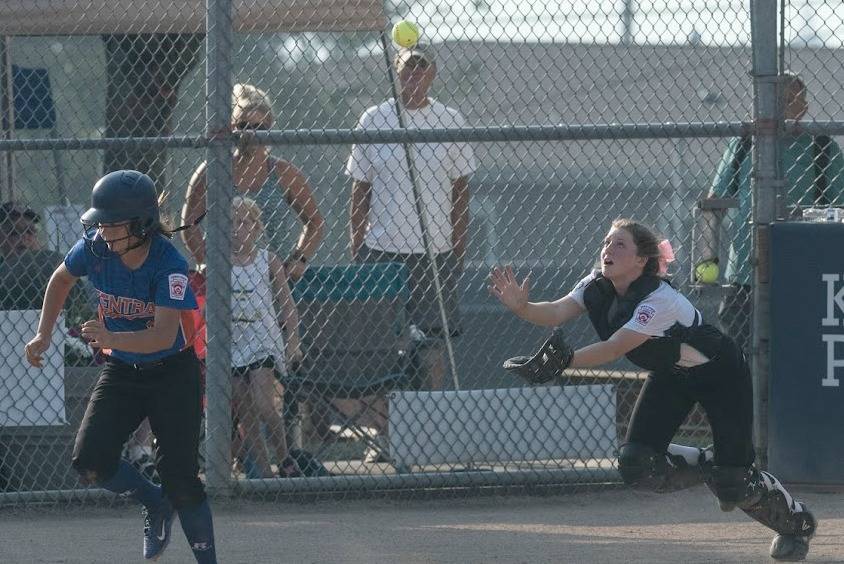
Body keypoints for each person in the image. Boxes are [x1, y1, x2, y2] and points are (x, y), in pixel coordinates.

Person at [490, 218, 816, 562]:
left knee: (733, 484)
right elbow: (557, 310)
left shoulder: (660, 299)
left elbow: (617, 346)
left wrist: (562, 363)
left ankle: (797, 523)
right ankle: (711, 463)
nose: (607, 250)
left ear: (641, 260)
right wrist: (522, 307)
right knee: (637, 464)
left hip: (721, 374)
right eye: (606, 242)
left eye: (619, 245)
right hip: (672, 373)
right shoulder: (596, 285)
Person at [24, 170, 217, 563]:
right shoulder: (95, 248)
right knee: (90, 461)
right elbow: (60, 280)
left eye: (113, 225)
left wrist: (111, 339)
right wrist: (44, 333)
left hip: (172, 372)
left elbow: (163, 336)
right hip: (123, 371)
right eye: (101, 224)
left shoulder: (169, 264)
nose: (103, 232)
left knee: (181, 481)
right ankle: (153, 503)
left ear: (142, 224)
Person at [345, 44, 476, 391]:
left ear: (432, 74)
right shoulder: (374, 118)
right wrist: (357, 243)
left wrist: (458, 246)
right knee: (383, 346)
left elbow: (461, 192)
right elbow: (360, 190)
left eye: (421, 68)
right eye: (406, 68)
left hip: (435, 250)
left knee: (433, 344)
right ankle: (387, 433)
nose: (413, 75)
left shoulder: (450, 119)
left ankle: (431, 422)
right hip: (381, 251)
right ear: (395, 72)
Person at [696, 71, 844, 352]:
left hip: (805, 275)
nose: (789, 108)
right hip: (744, 277)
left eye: (794, 100)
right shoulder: (743, 144)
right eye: (778, 100)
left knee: (799, 356)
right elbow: (713, 205)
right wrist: (706, 266)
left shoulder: (821, 147)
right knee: (740, 356)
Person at [182, 83, 324, 281]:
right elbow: (189, 223)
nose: (250, 133)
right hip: (226, 277)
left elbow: (315, 222)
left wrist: (299, 259)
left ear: (270, 128)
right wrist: (205, 260)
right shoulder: (213, 170)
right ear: (233, 127)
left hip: (272, 278)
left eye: (259, 127)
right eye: (243, 126)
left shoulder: (283, 173)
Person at [229, 196, 303, 478]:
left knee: (263, 404)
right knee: (245, 410)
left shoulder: (267, 260)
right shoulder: (219, 261)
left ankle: (284, 458)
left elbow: (287, 305)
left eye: (246, 222)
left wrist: (293, 341)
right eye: (233, 223)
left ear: (257, 228)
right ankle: (263, 473)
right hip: (232, 341)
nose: (239, 228)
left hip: (261, 340)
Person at [0, 201, 92, 323]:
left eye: (30, 231)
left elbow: (81, 310)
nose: (24, 237)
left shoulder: (52, 266)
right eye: (14, 233)